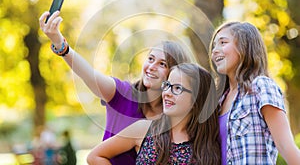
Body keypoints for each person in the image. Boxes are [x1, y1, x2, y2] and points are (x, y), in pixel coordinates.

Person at [39, 11, 191, 164]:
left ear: (175, 72)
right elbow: (88, 75)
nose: (151, 66)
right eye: (150, 59)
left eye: (162, 64)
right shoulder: (122, 93)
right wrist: (61, 46)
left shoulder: (174, 114)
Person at [86, 63, 221, 165]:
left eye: (177, 88)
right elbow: (95, 156)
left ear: (197, 99)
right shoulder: (144, 129)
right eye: (167, 85)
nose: (167, 92)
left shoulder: (208, 149)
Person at [209, 21, 300, 164]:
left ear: (244, 47)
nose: (214, 50)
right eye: (214, 45)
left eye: (223, 42)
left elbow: (286, 146)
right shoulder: (219, 101)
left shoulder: (260, 87)